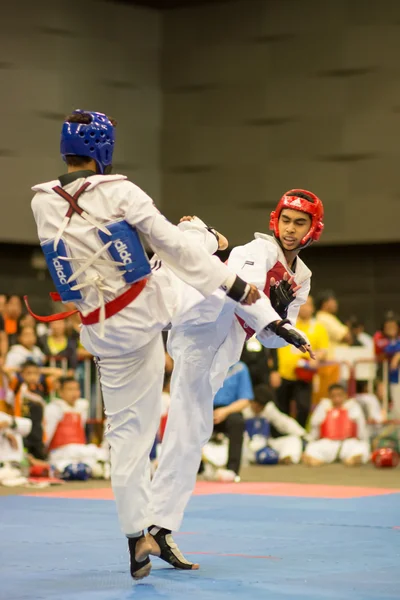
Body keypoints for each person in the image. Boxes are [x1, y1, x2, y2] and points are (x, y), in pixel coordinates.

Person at [28, 109, 260, 580]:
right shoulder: (121, 191)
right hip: (146, 309)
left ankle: (137, 537)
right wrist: (234, 284)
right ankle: (210, 237)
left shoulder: (42, 202)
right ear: (104, 150)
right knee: (187, 240)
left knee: (127, 439)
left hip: (100, 329)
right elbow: (169, 244)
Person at [150, 189, 323, 569]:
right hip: (203, 324)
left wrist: (285, 328)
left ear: (314, 229)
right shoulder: (256, 250)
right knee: (189, 427)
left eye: (300, 223)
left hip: (227, 344)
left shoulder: (302, 277)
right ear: (274, 221)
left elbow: (269, 337)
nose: (290, 230)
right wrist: (275, 317)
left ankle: (159, 526)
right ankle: (192, 241)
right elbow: (242, 293)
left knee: (192, 430)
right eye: (286, 220)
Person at [276, 295, 329, 427]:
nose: (305, 308)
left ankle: (301, 433)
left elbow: (323, 350)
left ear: (313, 308)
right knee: (282, 408)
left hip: (304, 374)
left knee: (304, 407)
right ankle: (284, 435)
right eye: (302, 304)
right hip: (284, 373)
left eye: (308, 304)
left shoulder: (318, 328)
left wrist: (316, 358)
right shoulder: (288, 323)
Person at [44, 376, 109, 478]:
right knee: (89, 451)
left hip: (79, 453)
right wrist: (42, 455)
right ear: (60, 392)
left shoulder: (81, 408)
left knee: (97, 463)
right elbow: (46, 434)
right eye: (70, 389)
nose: (74, 393)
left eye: (77, 389)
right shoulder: (54, 408)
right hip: (60, 451)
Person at [202, 360, 253, 482]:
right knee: (189, 421)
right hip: (205, 409)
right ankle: (197, 468)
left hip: (229, 410)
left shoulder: (240, 368)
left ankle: (232, 471)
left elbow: (245, 400)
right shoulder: (204, 364)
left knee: (237, 421)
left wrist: (225, 411)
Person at [302, 383, 370, 466]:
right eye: (333, 396)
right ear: (329, 397)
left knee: (362, 448)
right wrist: (312, 441)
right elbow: (315, 427)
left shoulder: (353, 406)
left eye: (339, 395)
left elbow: (361, 428)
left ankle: (353, 459)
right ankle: (317, 459)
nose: (337, 399)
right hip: (327, 443)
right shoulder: (323, 407)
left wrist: (363, 441)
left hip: (348, 443)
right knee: (311, 448)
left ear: (345, 395)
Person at [243, 384, 307, 465]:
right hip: (248, 448)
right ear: (252, 401)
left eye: (262, 407)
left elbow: (284, 423)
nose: (259, 409)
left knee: (294, 440)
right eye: (257, 405)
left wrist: (303, 434)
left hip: (267, 444)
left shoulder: (268, 409)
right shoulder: (242, 409)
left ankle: (286, 458)